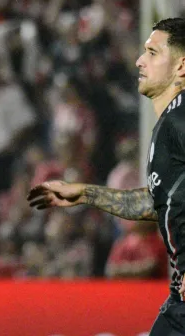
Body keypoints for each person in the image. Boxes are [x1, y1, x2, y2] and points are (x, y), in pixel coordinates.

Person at [28, 17, 185, 336]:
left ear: (182, 67)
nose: (140, 61)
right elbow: (155, 202)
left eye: (153, 53)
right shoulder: (168, 126)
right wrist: (84, 193)